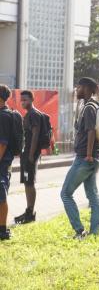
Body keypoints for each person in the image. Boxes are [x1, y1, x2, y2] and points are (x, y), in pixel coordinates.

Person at [60, 78, 99, 239]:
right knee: (92, 195)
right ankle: (94, 232)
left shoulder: (90, 107)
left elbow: (91, 131)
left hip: (86, 158)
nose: (76, 89)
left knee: (65, 193)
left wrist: (88, 154)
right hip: (93, 157)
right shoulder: (93, 105)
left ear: (85, 88)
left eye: (78, 87)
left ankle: (80, 231)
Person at [14, 90, 46, 224]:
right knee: (27, 182)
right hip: (27, 154)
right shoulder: (30, 114)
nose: (22, 102)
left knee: (29, 182)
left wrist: (31, 155)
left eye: (25, 100)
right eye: (21, 100)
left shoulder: (33, 115)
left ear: (32, 100)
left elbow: (35, 135)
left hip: (29, 155)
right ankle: (29, 210)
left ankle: (30, 213)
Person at [0, 85, 21, 240]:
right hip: (5, 160)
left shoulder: (3, 116)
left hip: (2, 161)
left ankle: (3, 230)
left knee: (1, 196)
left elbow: (2, 143)